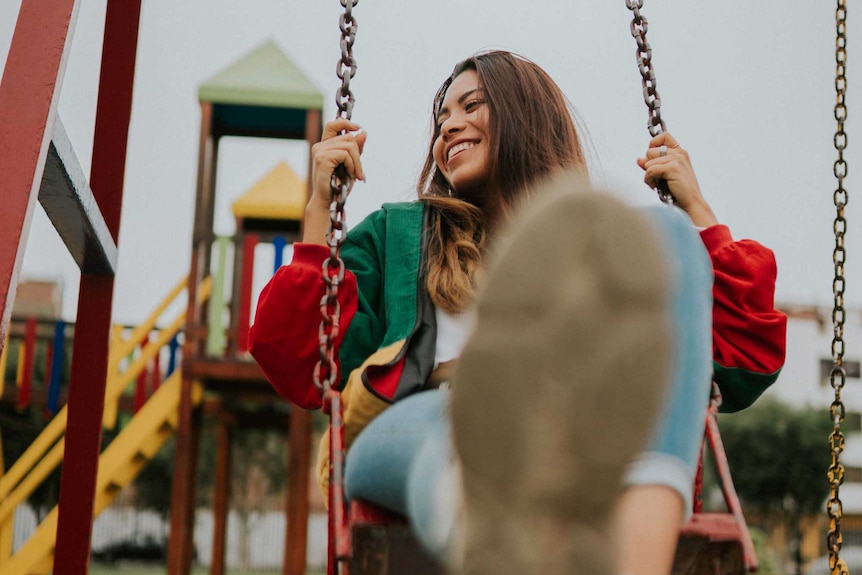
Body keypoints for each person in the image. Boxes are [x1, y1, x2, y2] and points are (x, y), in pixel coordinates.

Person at [249, 50, 787, 575]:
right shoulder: (402, 235)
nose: (449, 128)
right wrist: (321, 207)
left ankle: (637, 545)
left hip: (571, 426)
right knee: (452, 430)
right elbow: (299, 355)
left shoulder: (598, 245)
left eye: (471, 106)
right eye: (442, 119)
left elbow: (743, 362)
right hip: (431, 419)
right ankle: (497, 537)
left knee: (668, 236)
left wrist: (696, 211)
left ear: (525, 115)